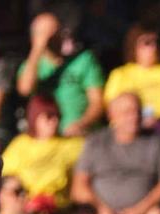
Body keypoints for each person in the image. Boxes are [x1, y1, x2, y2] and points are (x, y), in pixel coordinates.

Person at [72, 93, 160, 214]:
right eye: (127, 112)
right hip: (99, 213)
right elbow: (78, 189)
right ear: (112, 115)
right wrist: (102, 209)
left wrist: (141, 209)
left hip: (147, 212)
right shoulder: (95, 142)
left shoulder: (158, 142)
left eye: (137, 111)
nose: (134, 117)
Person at [16, 9, 105, 137]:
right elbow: (25, 89)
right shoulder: (30, 66)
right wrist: (38, 48)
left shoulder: (84, 60)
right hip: (45, 139)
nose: (51, 37)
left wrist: (81, 124)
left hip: (80, 135)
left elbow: (97, 102)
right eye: (44, 33)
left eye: (56, 31)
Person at [0, 95, 82, 205]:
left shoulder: (71, 144)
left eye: (57, 117)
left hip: (58, 207)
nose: (54, 121)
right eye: (49, 117)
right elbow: (5, 173)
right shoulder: (21, 144)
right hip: (26, 205)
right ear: (35, 118)